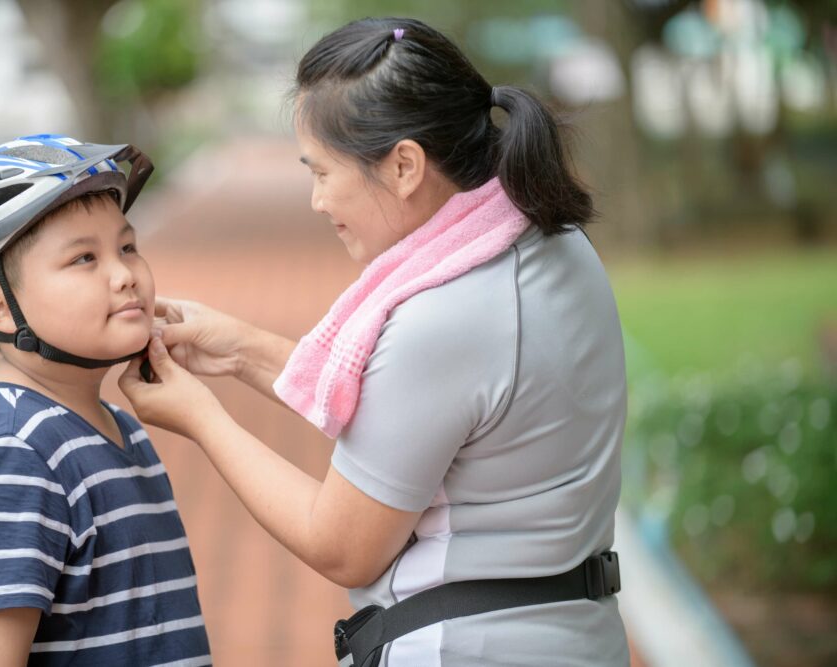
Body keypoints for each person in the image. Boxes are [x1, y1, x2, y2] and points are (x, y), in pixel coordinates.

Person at [121, 16, 629, 666]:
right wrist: (239, 349)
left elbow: (340, 543)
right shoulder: (549, 242)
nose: (315, 200)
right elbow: (419, 411)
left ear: (404, 165)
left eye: (323, 171)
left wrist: (199, 415)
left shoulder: (446, 315)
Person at [0, 134, 210, 666]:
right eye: (83, 259)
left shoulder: (116, 427)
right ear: (2, 310)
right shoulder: (9, 451)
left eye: (127, 247)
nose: (124, 275)